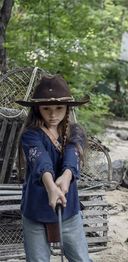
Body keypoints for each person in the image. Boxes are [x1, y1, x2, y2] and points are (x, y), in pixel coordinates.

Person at [16, 75, 92, 262]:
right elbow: (40, 161)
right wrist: (51, 187)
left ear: (67, 108)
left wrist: (65, 179)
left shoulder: (75, 131)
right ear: (37, 109)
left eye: (59, 108)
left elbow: (71, 157)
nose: (53, 114)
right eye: (46, 108)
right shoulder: (30, 135)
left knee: (82, 259)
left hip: (68, 210)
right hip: (36, 210)